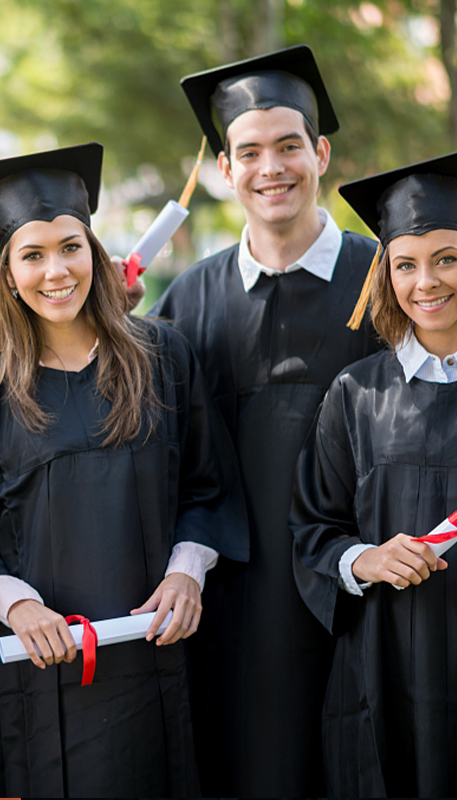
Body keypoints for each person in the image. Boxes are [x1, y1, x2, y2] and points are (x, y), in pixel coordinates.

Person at [0, 142, 247, 797]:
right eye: (32, 255)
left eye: (70, 247)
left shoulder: (162, 357)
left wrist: (188, 574)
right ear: (9, 275)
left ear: (95, 252)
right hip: (41, 670)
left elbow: (208, 487)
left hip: (158, 657)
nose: (56, 271)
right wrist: (17, 608)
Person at [149, 44, 381, 796]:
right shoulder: (188, 299)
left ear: (320, 153)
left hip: (364, 587)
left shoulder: (384, 279)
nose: (270, 168)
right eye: (248, 152)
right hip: (235, 606)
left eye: (289, 146)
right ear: (225, 169)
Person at [291, 152, 457, 797]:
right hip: (385, 666)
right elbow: (313, 526)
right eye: (406, 263)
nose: (427, 282)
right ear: (385, 274)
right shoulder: (358, 393)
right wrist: (366, 561)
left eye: (448, 258)